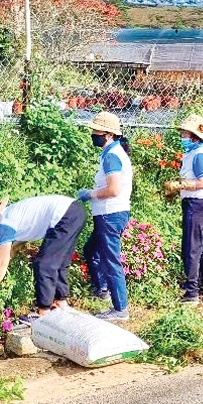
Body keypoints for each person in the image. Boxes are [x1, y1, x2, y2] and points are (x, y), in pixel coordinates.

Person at [0, 194, 86, 319]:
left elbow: (2, 262)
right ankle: (60, 304)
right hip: (75, 210)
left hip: (64, 216)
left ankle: (43, 314)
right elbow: (18, 242)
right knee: (60, 262)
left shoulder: (2, 226)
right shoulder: (9, 214)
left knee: (43, 264)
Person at [77, 111, 133, 321]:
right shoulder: (111, 152)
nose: (93, 134)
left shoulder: (112, 156)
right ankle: (102, 290)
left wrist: (89, 194)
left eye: (96, 131)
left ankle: (120, 309)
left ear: (108, 134)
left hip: (110, 214)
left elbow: (113, 189)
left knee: (111, 260)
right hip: (108, 214)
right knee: (91, 249)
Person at [163, 115, 203, 304]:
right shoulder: (193, 153)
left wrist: (180, 186)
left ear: (195, 136)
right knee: (202, 248)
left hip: (197, 205)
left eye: (185, 133)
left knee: (191, 249)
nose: (182, 136)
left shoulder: (199, 154)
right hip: (198, 204)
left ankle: (191, 293)